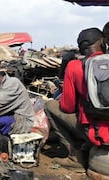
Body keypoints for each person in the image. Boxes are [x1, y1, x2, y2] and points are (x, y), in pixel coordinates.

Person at [44, 27, 108, 169]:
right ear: (102, 42)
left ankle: (75, 157)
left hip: (95, 131)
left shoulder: (75, 66)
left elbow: (67, 107)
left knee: (49, 106)